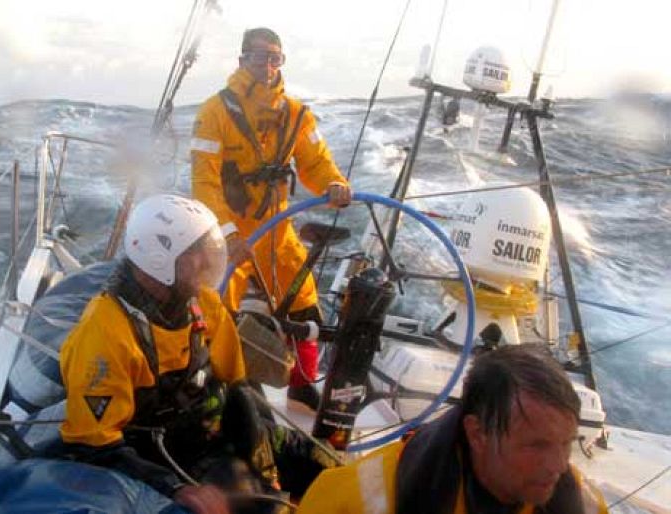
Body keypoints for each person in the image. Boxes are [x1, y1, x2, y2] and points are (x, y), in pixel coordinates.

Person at [59, 194, 332, 514]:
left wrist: (257, 440)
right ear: (159, 261)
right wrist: (174, 488)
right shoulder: (105, 335)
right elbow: (93, 446)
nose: (207, 261)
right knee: (268, 506)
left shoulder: (201, 303)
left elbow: (236, 383)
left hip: (213, 427)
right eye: (195, 254)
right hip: (171, 456)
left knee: (323, 464)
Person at [191, 27, 352, 411]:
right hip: (229, 232)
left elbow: (315, 163)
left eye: (275, 57)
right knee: (218, 307)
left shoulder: (296, 115)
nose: (267, 65)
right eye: (260, 56)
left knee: (304, 300)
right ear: (242, 58)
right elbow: (204, 182)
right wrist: (228, 234)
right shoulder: (214, 111)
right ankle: (221, 384)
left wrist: (335, 184)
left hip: (277, 231)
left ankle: (300, 384)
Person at [297, 344, 609, 514]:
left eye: (566, 444)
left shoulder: (580, 504)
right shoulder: (358, 500)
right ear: (477, 433)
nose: (557, 466)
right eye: (536, 445)